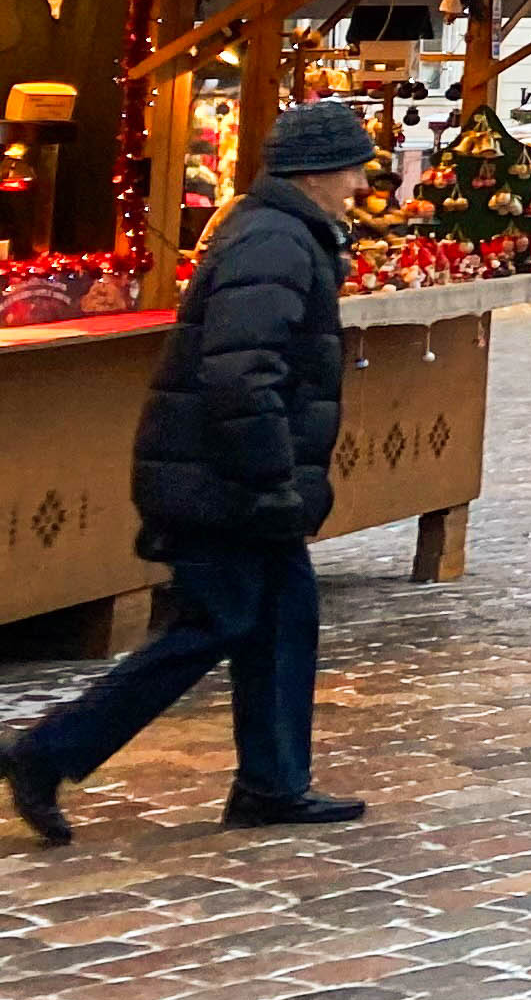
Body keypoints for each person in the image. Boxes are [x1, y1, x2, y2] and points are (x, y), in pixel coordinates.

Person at [7, 101, 376, 843]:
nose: (363, 182)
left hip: (232, 475)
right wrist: (271, 480)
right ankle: (45, 754)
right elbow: (242, 374)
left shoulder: (285, 234)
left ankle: (272, 783)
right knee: (213, 626)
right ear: (321, 170)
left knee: (280, 620)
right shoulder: (274, 241)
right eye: (356, 167)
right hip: (223, 479)